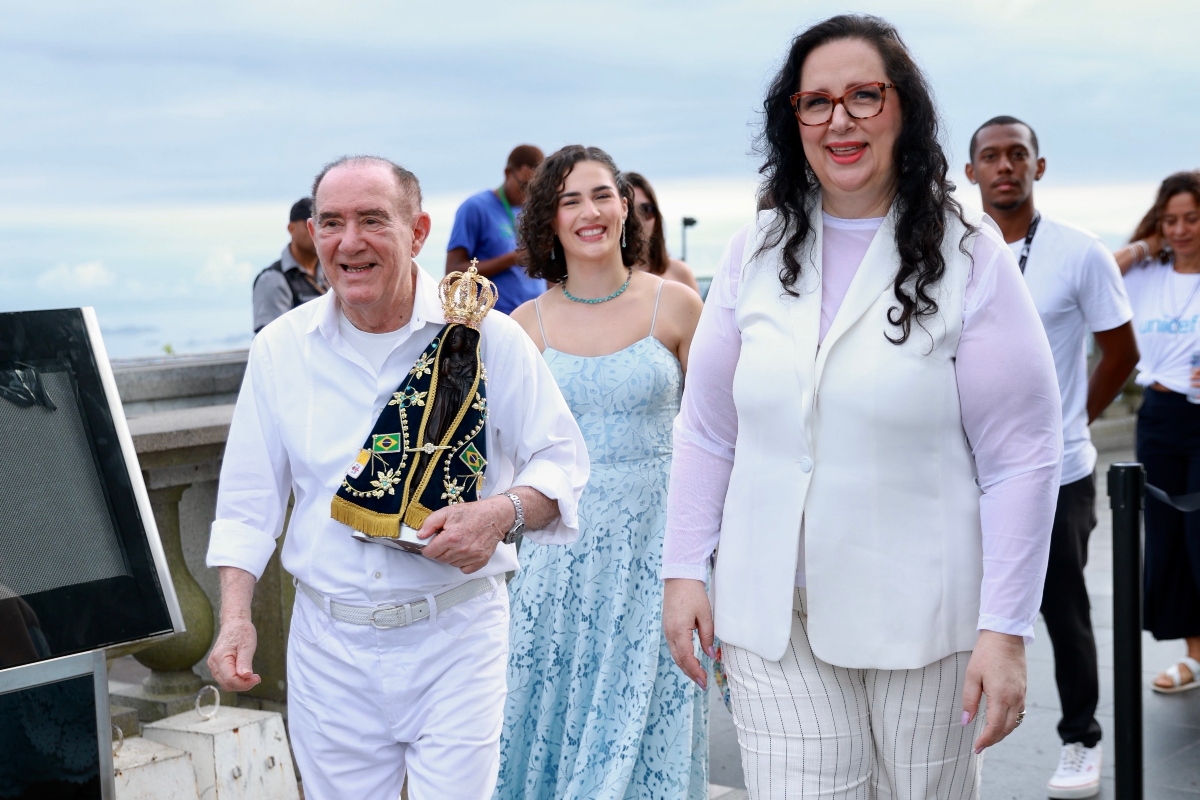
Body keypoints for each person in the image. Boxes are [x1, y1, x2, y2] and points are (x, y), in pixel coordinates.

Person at [661, 15, 1063, 799]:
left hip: (926, 626)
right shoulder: (754, 250)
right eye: (816, 102)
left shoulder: (972, 254)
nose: (839, 120)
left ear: (903, 110)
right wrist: (684, 571)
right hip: (774, 623)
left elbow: (1022, 455)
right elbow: (709, 430)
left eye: (863, 97)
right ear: (795, 121)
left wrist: (1005, 631)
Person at [205, 155, 588, 800]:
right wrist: (235, 617)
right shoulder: (279, 349)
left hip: (456, 637)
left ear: (418, 232)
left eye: (371, 220)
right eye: (330, 222)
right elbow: (248, 503)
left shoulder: (486, 335)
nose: (348, 242)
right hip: (329, 647)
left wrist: (503, 513)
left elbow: (562, 461)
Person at [496, 146, 706, 799]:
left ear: (624, 205)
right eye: (568, 200)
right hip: (556, 571)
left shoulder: (676, 306)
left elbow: (715, 441)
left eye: (600, 195)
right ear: (548, 222)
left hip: (656, 563)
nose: (589, 212)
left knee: (647, 741)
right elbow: (500, 458)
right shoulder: (520, 327)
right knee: (547, 737)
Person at [964, 115, 1138, 799]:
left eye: (1017, 155)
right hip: (966, 469)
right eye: (990, 157)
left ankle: (1079, 741)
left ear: (1039, 167)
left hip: (1058, 472)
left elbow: (1121, 351)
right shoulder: (949, 248)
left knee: (1063, 613)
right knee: (964, 610)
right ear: (970, 170)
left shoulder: (1080, 252)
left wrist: (1070, 422)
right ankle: (954, 734)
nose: (1004, 166)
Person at [1112, 171, 1200, 696]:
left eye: (1192, 218)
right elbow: (1103, 269)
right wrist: (1148, 244)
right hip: (1160, 417)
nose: (1182, 229)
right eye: (1171, 220)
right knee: (1168, 539)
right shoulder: (1149, 275)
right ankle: (1194, 654)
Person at [447, 145, 547, 314]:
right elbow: (453, 272)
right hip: (493, 321)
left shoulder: (535, 211)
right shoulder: (475, 208)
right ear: (508, 173)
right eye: (524, 185)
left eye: (535, 187)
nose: (528, 194)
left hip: (536, 320)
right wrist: (513, 259)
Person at [252, 197, 328, 333]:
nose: (316, 232)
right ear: (291, 228)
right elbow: (272, 341)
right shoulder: (273, 280)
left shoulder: (329, 272)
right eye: (308, 225)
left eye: (322, 224)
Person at [626, 172, 701, 293]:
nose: (638, 220)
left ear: (657, 218)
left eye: (646, 210)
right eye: (630, 211)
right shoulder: (605, 279)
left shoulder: (680, 272)